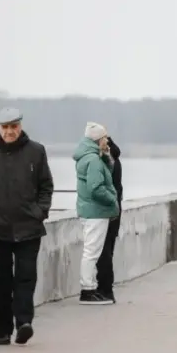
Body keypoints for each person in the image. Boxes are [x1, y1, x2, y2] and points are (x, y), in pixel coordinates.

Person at [0, 107, 54, 345]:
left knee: (26, 278)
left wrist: (40, 211)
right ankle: (2, 330)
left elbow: (46, 185)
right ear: (0, 128)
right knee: (0, 281)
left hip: (29, 228)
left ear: (20, 126)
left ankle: (24, 322)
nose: (10, 132)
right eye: (6, 127)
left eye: (14, 127)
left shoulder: (36, 152)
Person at [73, 122, 120, 305]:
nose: (107, 140)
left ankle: (90, 288)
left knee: (91, 251)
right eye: (105, 137)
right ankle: (87, 290)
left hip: (90, 210)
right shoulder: (93, 160)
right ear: (98, 139)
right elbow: (96, 188)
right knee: (92, 252)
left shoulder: (88, 157)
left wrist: (107, 157)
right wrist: (112, 199)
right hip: (96, 212)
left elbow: (102, 176)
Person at [95, 135, 123, 304]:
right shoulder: (115, 159)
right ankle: (106, 288)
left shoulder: (106, 161)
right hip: (116, 210)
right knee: (108, 251)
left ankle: (105, 289)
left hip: (106, 211)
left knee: (102, 252)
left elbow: (101, 187)